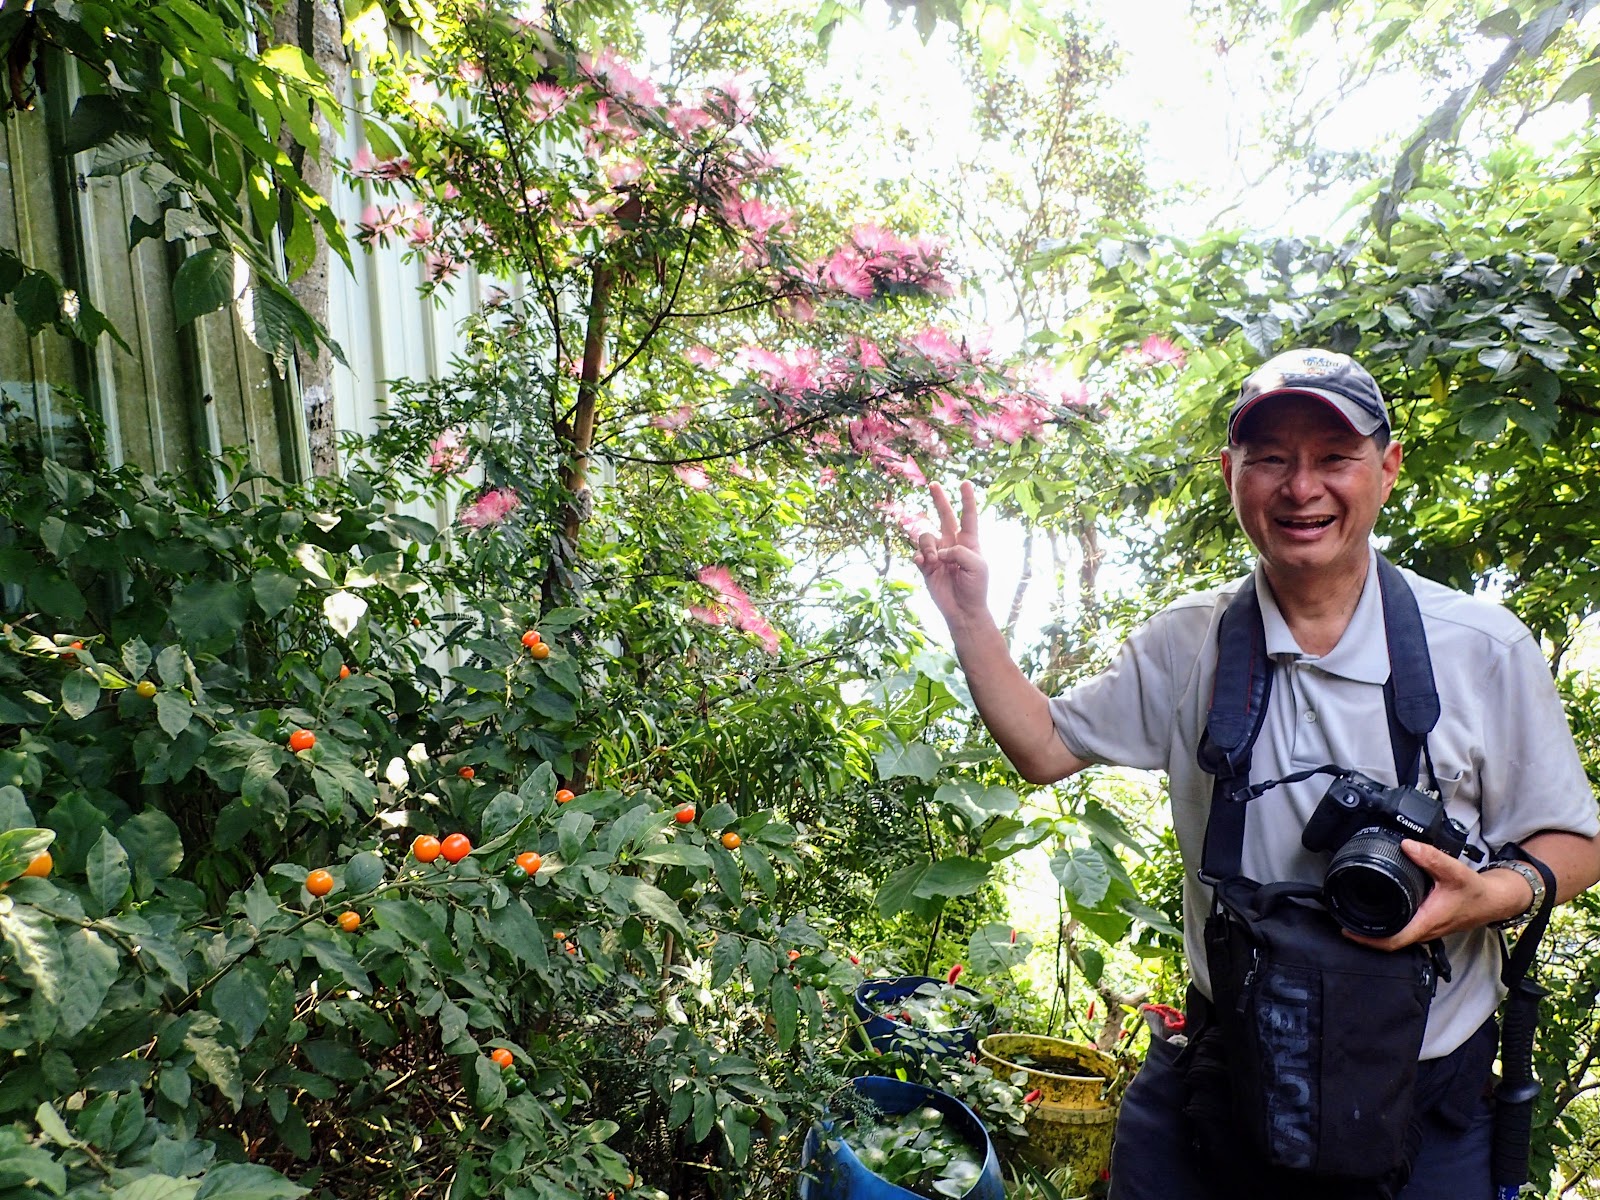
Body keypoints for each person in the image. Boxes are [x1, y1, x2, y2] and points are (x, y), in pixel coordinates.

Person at [914, 348, 1600, 1198]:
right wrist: (970, 619)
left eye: (1334, 456)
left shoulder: (1482, 648)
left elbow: (1575, 841)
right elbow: (1044, 747)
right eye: (1271, 457)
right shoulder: (1188, 641)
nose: (1301, 487)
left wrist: (1485, 896)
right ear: (1230, 473)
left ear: (1388, 468)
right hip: (1230, 1067)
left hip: (1422, 1084)